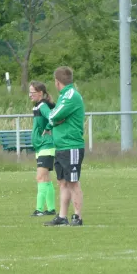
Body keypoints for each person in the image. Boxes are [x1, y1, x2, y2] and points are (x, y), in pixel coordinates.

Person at [44, 66, 86, 227]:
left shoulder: (70, 95)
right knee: (62, 181)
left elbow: (53, 115)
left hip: (71, 146)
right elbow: (55, 118)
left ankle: (77, 216)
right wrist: (55, 119)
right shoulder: (63, 96)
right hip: (61, 145)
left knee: (73, 181)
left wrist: (52, 117)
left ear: (57, 81)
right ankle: (62, 216)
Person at [28, 81, 57, 217]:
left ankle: (39, 210)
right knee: (46, 178)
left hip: (46, 145)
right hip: (41, 146)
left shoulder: (43, 106)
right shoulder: (38, 106)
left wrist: (48, 129)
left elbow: (53, 117)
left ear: (40, 93)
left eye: (32, 92)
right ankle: (51, 209)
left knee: (40, 177)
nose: (30, 95)